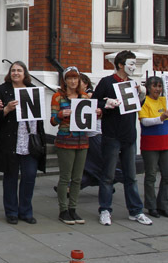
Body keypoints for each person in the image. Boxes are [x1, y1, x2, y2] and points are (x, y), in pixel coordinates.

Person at [92, 50, 152, 226]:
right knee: (108, 175)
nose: (133, 67)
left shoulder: (133, 84)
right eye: (131, 63)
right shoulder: (106, 82)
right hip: (111, 134)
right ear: (120, 64)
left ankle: (136, 210)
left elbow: (138, 106)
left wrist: (141, 93)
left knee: (131, 175)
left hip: (129, 135)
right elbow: (94, 102)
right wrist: (106, 104)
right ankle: (105, 209)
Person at [0, 61, 45, 225]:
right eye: (13, 70)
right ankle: (11, 212)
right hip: (10, 140)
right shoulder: (3, 89)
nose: (15, 73)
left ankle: (26, 211)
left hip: (29, 140)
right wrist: (7, 109)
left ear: (25, 74)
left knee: (29, 176)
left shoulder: (32, 89)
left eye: (19, 70)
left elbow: (39, 116)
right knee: (10, 177)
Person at [50, 66, 99, 225]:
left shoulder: (84, 96)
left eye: (75, 78)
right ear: (64, 80)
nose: (72, 81)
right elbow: (52, 120)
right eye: (69, 78)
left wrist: (98, 112)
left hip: (82, 140)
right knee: (65, 177)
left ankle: (73, 209)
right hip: (65, 140)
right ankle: (63, 210)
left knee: (77, 178)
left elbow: (89, 118)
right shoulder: (58, 97)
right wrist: (60, 115)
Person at [139, 76, 168, 219]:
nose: (158, 89)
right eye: (155, 86)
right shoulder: (144, 101)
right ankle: (151, 206)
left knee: (167, 175)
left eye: (160, 86)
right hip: (150, 143)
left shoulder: (165, 101)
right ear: (148, 87)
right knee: (151, 176)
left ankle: (163, 205)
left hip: (165, 142)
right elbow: (144, 122)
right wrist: (161, 117)